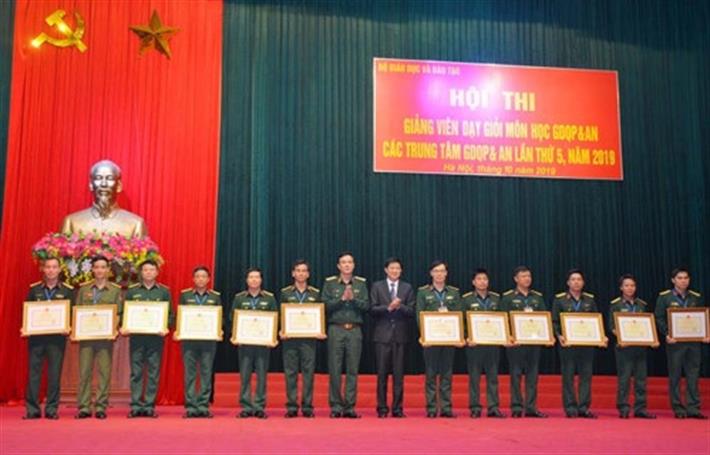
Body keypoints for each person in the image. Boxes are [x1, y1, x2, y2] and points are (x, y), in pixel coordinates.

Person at [21, 258, 74, 419]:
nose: (51, 270)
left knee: (54, 375)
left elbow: (72, 314)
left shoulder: (68, 291)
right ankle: (32, 409)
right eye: (48, 267)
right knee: (33, 374)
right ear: (43, 269)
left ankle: (52, 409)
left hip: (57, 340)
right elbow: (26, 311)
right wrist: (25, 327)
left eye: (54, 267)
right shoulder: (34, 289)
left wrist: (69, 327)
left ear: (59, 269)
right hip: (36, 339)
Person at [552, 268, 607, 418]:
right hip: (568, 345)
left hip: (586, 345)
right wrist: (559, 335)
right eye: (573, 279)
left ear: (583, 282)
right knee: (568, 376)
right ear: (568, 282)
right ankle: (570, 407)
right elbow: (554, 322)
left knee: (586, 376)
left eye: (579, 279)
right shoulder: (560, 300)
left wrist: (601, 336)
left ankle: (583, 407)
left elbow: (597, 320)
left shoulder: (590, 300)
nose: (576, 282)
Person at [655, 267, 708, 419]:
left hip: (693, 343)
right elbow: (659, 318)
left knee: (693, 375)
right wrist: (667, 333)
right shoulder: (664, 297)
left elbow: (703, 317)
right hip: (675, 342)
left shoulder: (696, 297)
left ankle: (693, 407)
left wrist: (705, 333)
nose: (683, 281)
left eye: (686, 278)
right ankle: (678, 407)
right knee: (675, 375)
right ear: (673, 280)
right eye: (680, 278)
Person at [74, 256, 123, 419]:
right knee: (84, 372)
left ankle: (101, 406)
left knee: (104, 372)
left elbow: (119, 313)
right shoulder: (84, 290)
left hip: (105, 338)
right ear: (92, 269)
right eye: (97, 267)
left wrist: (114, 328)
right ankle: (84, 407)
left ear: (108, 270)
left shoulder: (115, 290)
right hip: (86, 337)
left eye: (103, 267)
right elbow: (77, 311)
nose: (100, 270)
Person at [322, 251, 369, 418]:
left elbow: (366, 306)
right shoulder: (330, 283)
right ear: (338, 266)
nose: (347, 265)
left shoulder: (361, 284)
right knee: (334, 368)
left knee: (352, 369)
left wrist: (353, 299)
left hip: (355, 330)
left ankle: (349, 407)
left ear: (354, 265)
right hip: (336, 329)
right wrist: (341, 299)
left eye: (350, 262)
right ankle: (336, 406)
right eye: (344, 262)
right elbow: (324, 306)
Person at [123, 260, 172, 418]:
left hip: (156, 338)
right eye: (145, 270)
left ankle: (149, 406)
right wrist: (124, 326)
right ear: (141, 272)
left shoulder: (164, 292)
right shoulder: (132, 291)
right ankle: (136, 406)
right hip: (136, 338)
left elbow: (170, 315)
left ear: (157, 272)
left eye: (152, 270)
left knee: (153, 373)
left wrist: (166, 327)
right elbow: (125, 313)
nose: (149, 272)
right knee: (136, 373)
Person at [416, 260, 464, 418]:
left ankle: (446, 408)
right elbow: (419, 315)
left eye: (442, 271)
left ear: (446, 273)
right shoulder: (423, 292)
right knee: (430, 374)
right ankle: (431, 408)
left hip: (449, 339)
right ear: (431, 273)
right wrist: (424, 335)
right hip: (431, 340)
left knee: (446, 375)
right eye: (436, 271)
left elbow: (459, 315)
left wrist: (458, 336)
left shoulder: (454, 292)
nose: (439, 274)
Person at [500, 266, 548, 418]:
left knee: (532, 376)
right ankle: (516, 407)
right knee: (515, 375)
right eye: (523, 276)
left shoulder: (537, 297)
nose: (527, 279)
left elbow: (544, 319)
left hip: (534, 343)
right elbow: (503, 320)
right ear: (516, 279)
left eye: (528, 276)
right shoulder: (508, 297)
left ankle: (531, 408)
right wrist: (508, 337)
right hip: (516, 344)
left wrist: (546, 336)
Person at [370, 257, 415, 418]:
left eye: (398, 268)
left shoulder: (407, 287)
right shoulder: (377, 286)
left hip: (400, 336)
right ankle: (382, 408)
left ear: (401, 271)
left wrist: (400, 306)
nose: (395, 271)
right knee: (382, 374)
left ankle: (397, 408)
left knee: (398, 375)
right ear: (386, 270)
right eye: (392, 268)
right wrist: (388, 308)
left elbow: (412, 311)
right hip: (382, 336)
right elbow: (372, 309)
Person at [608, 274, 657, 419]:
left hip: (640, 348)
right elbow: (611, 326)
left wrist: (652, 339)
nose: (630, 288)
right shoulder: (615, 305)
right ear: (621, 288)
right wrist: (621, 337)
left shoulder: (642, 305)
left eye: (632, 285)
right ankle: (623, 407)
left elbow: (648, 325)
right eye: (627, 285)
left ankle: (640, 408)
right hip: (624, 348)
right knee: (624, 379)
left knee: (641, 379)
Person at [279, 260, 324, 418]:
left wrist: (320, 330)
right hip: (290, 339)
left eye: (304, 271)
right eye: (298, 270)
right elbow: (281, 315)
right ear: (293, 273)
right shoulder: (285, 293)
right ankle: (291, 406)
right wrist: (282, 330)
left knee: (308, 373)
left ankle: (307, 406)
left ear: (308, 274)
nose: (301, 273)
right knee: (290, 373)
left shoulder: (315, 293)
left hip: (309, 340)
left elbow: (320, 315)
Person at [230, 268, 278, 419]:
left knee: (262, 376)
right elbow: (232, 318)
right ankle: (246, 406)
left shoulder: (269, 298)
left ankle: (259, 406)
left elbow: (275, 319)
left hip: (263, 344)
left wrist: (272, 337)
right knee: (245, 376)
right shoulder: (239, 298)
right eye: (251, 277)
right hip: (245, 343)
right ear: (247, 280)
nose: (254, 280)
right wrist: (235, 335)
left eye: (257, 277)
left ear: (261, 280)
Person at [178, 266, 222, 418]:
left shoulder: (215, 297)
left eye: (203, 276)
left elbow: (220, 318)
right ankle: (191, 406)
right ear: (193, 279)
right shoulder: (185, 296)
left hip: (208, 341)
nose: (200, 279)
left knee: (206, 373)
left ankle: (203, 406)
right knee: (190, 373)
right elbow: (180, 316)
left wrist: (219, 330)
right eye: (197, 276)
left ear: (208, 279)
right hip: (189, 340)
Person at [462, 268, 505, 418]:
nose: (482, 282)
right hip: (474, 345)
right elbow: (462, 322)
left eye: (485, 279)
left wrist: (504, 337)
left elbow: (503, 320)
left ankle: (493, 407)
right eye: (479, 279)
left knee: (493, 377)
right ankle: (475, 407)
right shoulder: (466, 299)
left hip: (492, 344)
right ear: (473, 282)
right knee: (474, 377)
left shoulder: (496, 298)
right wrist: (466, 337)